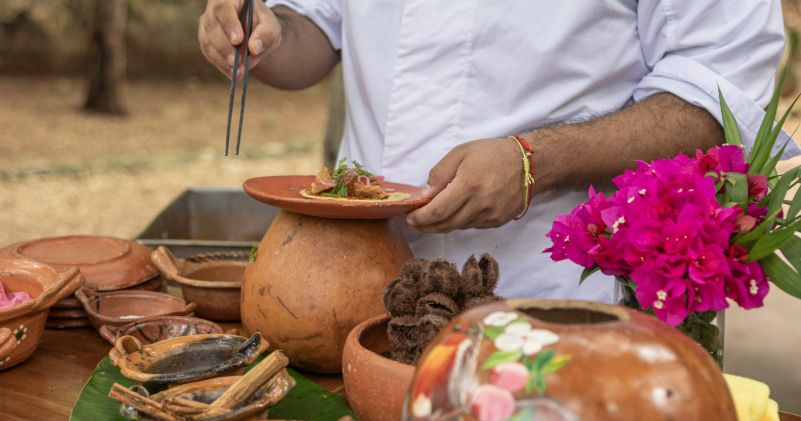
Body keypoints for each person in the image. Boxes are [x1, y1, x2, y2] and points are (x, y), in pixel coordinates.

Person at [199, 0, 795, 301]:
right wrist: (262, 37)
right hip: (360, 273)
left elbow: (716, 91)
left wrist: (536, 160)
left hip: (556, 284)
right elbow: (318, 27)